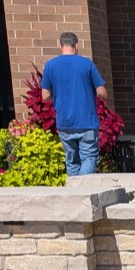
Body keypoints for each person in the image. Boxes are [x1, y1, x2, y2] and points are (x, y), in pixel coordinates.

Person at [40, 31, 108, 177]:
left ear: (60, 46)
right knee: (89, 158)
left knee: (72, 161)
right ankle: (80, 189)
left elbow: (45, 95)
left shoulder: (50, 66)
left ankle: (74, 192)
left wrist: (58, 96)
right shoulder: (86, 64)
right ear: (77, 45)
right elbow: (102, 92)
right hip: (86, 120)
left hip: (64, 121)